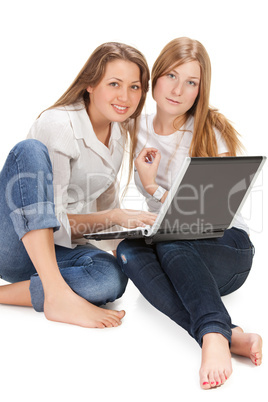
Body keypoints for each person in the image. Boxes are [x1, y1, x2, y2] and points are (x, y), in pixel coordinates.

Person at [117, 37, 263, 389]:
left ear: (201, 89)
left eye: (191, 82)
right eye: (171, 76)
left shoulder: (211, 131)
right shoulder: (136, 127)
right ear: (154, 79)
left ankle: (212, 334)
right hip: (179, 251)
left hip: (228, 249)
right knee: (126, 250)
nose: (178, 89)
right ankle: (228, 334)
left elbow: (209, 215)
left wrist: (153, 188)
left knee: (171, 239)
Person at [0, 42, 156, 329]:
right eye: (114, 84)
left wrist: (126, 248)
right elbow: (51, 220)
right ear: (91, 84)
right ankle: (57, 293)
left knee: (111, 278)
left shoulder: (119, 131)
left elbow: (106, 206)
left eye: (135, 87)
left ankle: (32, 292)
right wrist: (115, 217)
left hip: (57, 253)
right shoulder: (59, 124)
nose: (125, 96)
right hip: (14, 242)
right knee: (30, 150)